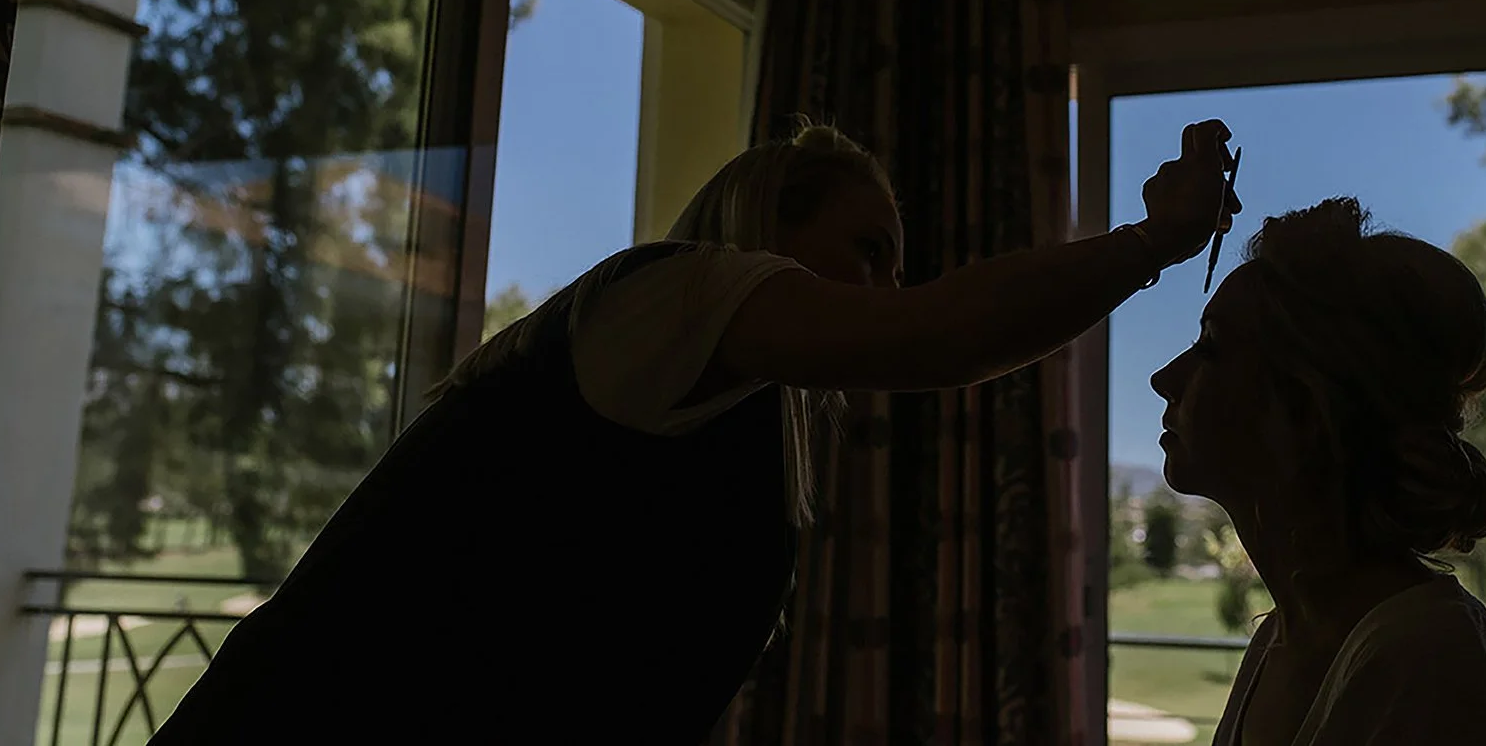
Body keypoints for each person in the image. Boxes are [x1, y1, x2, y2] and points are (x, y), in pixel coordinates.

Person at [154, 117, 1237, 744]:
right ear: (767, 227)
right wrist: (1157, 236)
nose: (883, 287)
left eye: (891, 265)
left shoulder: (728, 419)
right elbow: (930, 336)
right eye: (866, 248)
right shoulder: (675, 292)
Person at [1151, 197, 1486, 746]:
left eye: (1212, 346)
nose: (1165, 377)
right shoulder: (1283, 636)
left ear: (1310, 402)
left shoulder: (1426, 657)